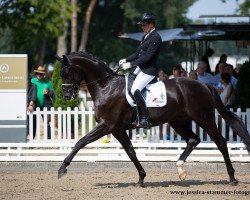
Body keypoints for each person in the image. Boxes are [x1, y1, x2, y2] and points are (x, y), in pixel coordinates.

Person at [119, 12, 162, 128]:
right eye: (142, 25)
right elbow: (137, 53)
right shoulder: (145, 36)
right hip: (140, 69)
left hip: (149, 70)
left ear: (151, 25)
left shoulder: (156, 38)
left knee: (135, 90)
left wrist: (130, 64)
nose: (142, 27)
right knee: (128, 84)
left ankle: (145, 119)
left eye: (144, 25)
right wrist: (126, 60)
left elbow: (148, 57)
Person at [31, 66, 54, 139]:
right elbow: (29, 93)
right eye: (38, 73)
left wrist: (48, 92)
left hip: (46, 106)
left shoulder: (48, 82)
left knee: (47, 123)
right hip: (34, 106)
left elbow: (53, 94)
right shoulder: (32, 81)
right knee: (33, 123)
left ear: (44, 74)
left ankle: (49, 140)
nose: (39, 75)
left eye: (41, 74)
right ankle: (31, 139)